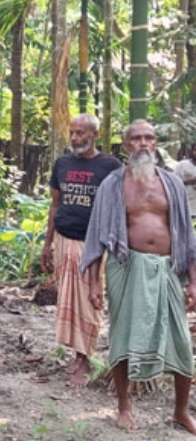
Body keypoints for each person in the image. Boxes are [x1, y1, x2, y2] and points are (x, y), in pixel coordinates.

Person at [81, 120, 196, 433]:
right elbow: (97, 234)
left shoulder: (172, 183)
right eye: (136, 138)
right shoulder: (112, 185)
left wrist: (193, 281)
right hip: (126, 267)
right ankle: (123, 407)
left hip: (168, 270)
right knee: (121, 336)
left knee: (181, 341)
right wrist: (94, 283)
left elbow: (187, 235)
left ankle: (181, 411)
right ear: (125, 145)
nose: (143, 143)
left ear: (155, 144)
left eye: (149, 138)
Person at [39, 114, 121, 387]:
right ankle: (76, 354)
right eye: (72, 132)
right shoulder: (62, 164)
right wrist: (47, 244)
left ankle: (85, 358)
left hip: (92, 245)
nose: (74, 138)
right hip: (63, 238)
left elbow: (118, 208)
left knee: (88, 300)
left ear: (94, 135)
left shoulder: (111, 166)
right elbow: (55, 204)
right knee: (69, 299)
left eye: (80, 133)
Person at [173, 143, 196, 216]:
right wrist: (189, 181)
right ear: (192, 151)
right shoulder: (182, 165)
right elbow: (173, 183)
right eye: (195, 150)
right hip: (186, 207)